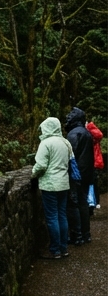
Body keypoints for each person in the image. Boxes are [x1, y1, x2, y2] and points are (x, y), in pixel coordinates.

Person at [34, 116, 73, 259]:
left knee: (52, 217)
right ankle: (64, 248)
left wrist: (34, 173)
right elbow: (70, 161)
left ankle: (55, 250)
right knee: (62, 215)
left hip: (50, 185)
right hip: (64, 184)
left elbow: (41, 165)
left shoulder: (45, 143)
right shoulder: (65, 142)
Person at [66, 107, 95, 244]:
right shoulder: (86, 133)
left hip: (76, 174)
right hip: (86, 173)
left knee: (73, 204)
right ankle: (86, 234)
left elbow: (69, 156)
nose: (67, 118)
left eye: (70, 116)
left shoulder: (74, 134)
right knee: (83, 203)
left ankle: (76, 235)